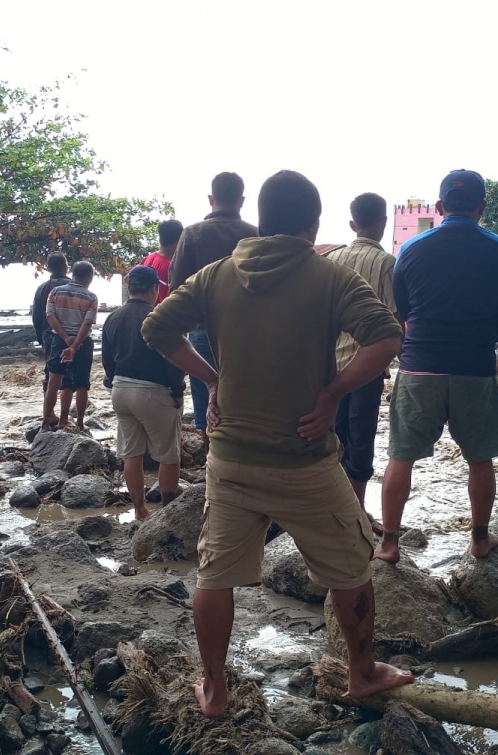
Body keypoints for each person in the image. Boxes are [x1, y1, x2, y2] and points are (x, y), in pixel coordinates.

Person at [143, 170, 411, 718]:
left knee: (215, 575)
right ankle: (362, 673)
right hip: (306, 459)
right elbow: (386, 337)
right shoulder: (330, 276)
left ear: (260, 220)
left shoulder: (217, 274)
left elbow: (156, 329)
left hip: (232, 459)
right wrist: (334, 391)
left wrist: (213, 379)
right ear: (314, 225)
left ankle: (215, 690)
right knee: (353, 565)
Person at [377, 170, 498, 565]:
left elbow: (403, 308)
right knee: (479, 459)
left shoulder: (412, 248)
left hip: (421, 364)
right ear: (482, 208)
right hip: (474, 366)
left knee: (401, 456)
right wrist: (479, 339)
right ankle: (478, 539)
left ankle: (389, 543)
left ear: (439, 208)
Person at [325, 193, 396, 533]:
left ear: (352, 224)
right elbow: (395, 319)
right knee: (361, 437)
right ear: (383, 223)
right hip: (366, 366)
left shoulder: (332, 259)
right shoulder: (387, 264)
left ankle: (331, 507)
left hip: (329, 367)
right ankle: (356, 511)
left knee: (333, 435)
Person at [169, 172, 257, 445]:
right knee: (245, 404)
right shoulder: (256, 235)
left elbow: (177, 288)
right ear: (242, 200)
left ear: (211, 199)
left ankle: (213, 464)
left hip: (203, 331)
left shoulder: (192, 234)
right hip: (249, 333)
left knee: (208, 409)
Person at [102, 265, 185, 520]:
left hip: (121, 390)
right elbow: (173, 359)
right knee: (169, 455)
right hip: (153, 391)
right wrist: (178, 391)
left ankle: (140, 510)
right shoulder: (159, 316)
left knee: (132, 453)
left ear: (129, 287)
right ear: (154, 289)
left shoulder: (112, 318)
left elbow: (107, 360)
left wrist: (112, 383)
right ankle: (168, 513)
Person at [43, 261, 99, 432]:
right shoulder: (91, 297)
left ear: (72, 274)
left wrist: (65, 338)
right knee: (82, 384)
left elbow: (50, 316)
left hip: (59, 340)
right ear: (89, 277)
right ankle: (80, 424)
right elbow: (87, 323)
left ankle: (48, 423)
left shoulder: (55, 291)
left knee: (55, 382)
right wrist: (74, 345)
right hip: (82, 342)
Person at [32, 252, 73, 393]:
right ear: (65, 268)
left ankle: (48, 410)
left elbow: (36, 316)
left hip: (47, 336)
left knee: (49, 371)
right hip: (69, 337)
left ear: (48, 268)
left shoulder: (41, 289)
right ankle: (64, 413)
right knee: (68, 374)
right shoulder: (73, 287)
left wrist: (40, 338)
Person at [142, 220, 183, 305]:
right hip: (159, 316)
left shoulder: (149, 258)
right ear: (178, 242)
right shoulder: (169, 268)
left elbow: (128, 278)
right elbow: (169, 304)